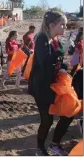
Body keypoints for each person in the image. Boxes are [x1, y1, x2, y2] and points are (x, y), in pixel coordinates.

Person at [28, 10, 72, 156]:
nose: (65, 27)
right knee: (47, 119)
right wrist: (61, 54)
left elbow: (59, 61)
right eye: (63, 24)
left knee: (68, 112)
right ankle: (40, 149)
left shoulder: (54, 40)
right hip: (41, 87)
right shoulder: (41, 39)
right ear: (52, 25)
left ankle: (55, 143)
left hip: (54, 84)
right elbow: (45, 63)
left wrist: (65, 68)